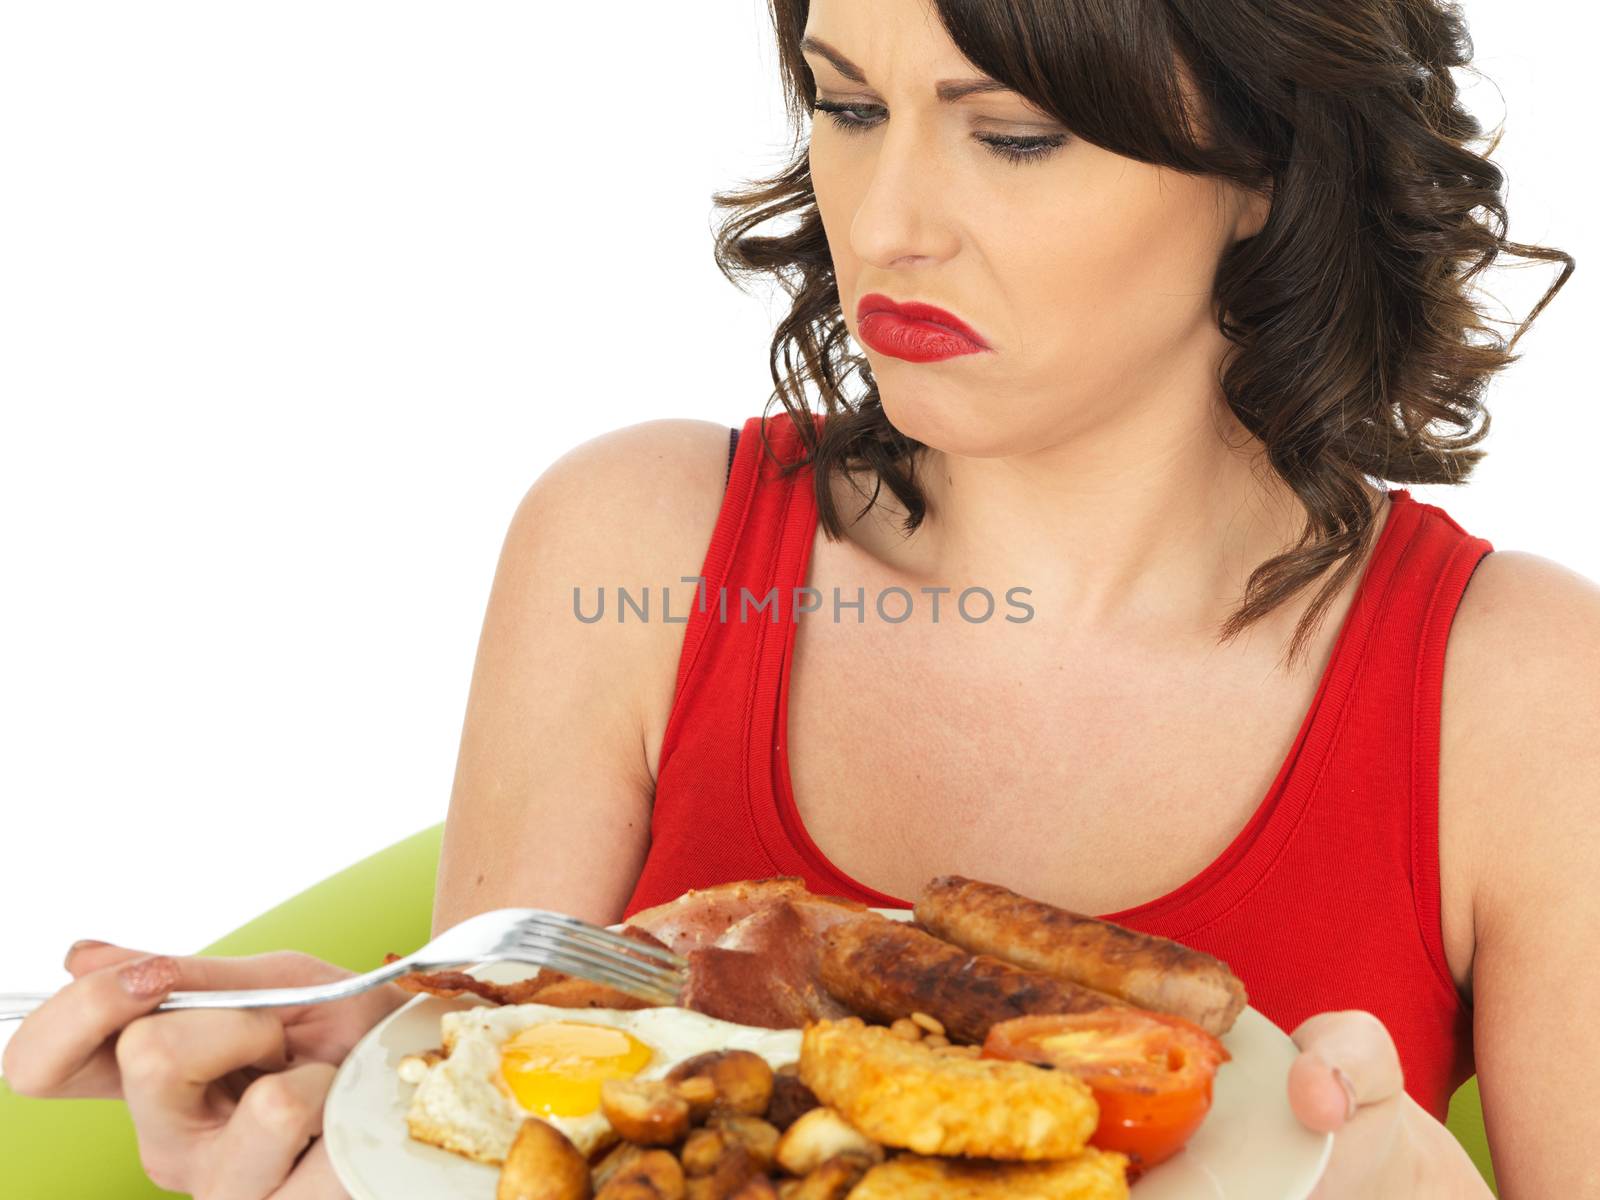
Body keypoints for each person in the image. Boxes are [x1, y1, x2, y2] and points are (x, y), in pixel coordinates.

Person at [6, 0, 1594, 1195]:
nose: (887, 222)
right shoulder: (630, 550)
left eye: (1013, 132)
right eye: (845, 105)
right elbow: (490, 1106)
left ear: (1268, 165)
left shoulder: (1524, 693)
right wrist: (342, 1130)